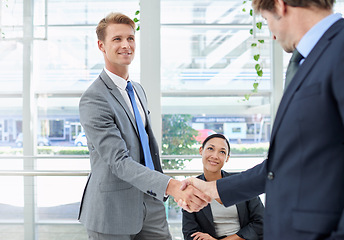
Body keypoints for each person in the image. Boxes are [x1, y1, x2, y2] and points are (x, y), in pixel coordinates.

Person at [178, 0, 344, 239]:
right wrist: (212, 188)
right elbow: (284, 164)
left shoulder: (339, 49)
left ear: (279, 6)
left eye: (266, 21)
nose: (272, 35)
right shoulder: (304, 61)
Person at [78, 12, 210, 240]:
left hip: (152, 201)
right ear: (101, 45)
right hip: (112, 210)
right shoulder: (94, 98)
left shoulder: (137, 90)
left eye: (130, 38)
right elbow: (118, 161)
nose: (126, 45)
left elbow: (145, 148)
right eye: (117, 39)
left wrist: (165, 188)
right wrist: (172, 185)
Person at [182, 134, 264, 240]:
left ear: (227, 158)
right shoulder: (191, 189)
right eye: (210, 149)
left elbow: (261, 223)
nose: (215, 156)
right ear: (201, 150)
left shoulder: (240, 183)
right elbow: (190, 234)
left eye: (222, 152)